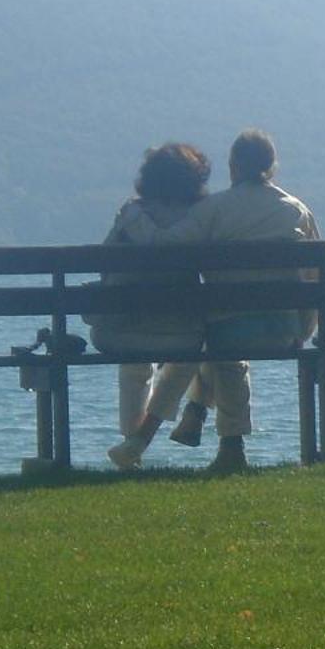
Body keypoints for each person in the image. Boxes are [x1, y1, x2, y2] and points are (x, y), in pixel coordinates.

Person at [150, 127, 320, 473]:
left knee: (218, 342)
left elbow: (166, 246)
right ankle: (203, 419)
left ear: (233, 166)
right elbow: (316, 278)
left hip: (226, 331)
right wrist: (303, 328)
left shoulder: (215, 209)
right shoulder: (296, 211)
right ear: (272, 166)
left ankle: (227, 441)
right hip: (284, 329)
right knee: (222, 339)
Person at [85, 143, 216, 469]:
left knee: (133, 361)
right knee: (191, 353)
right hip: (179, 335)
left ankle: (132, 446)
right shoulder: (200, 219)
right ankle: (138, 442)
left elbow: (105, 268)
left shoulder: (130, 214)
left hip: (116, 333)